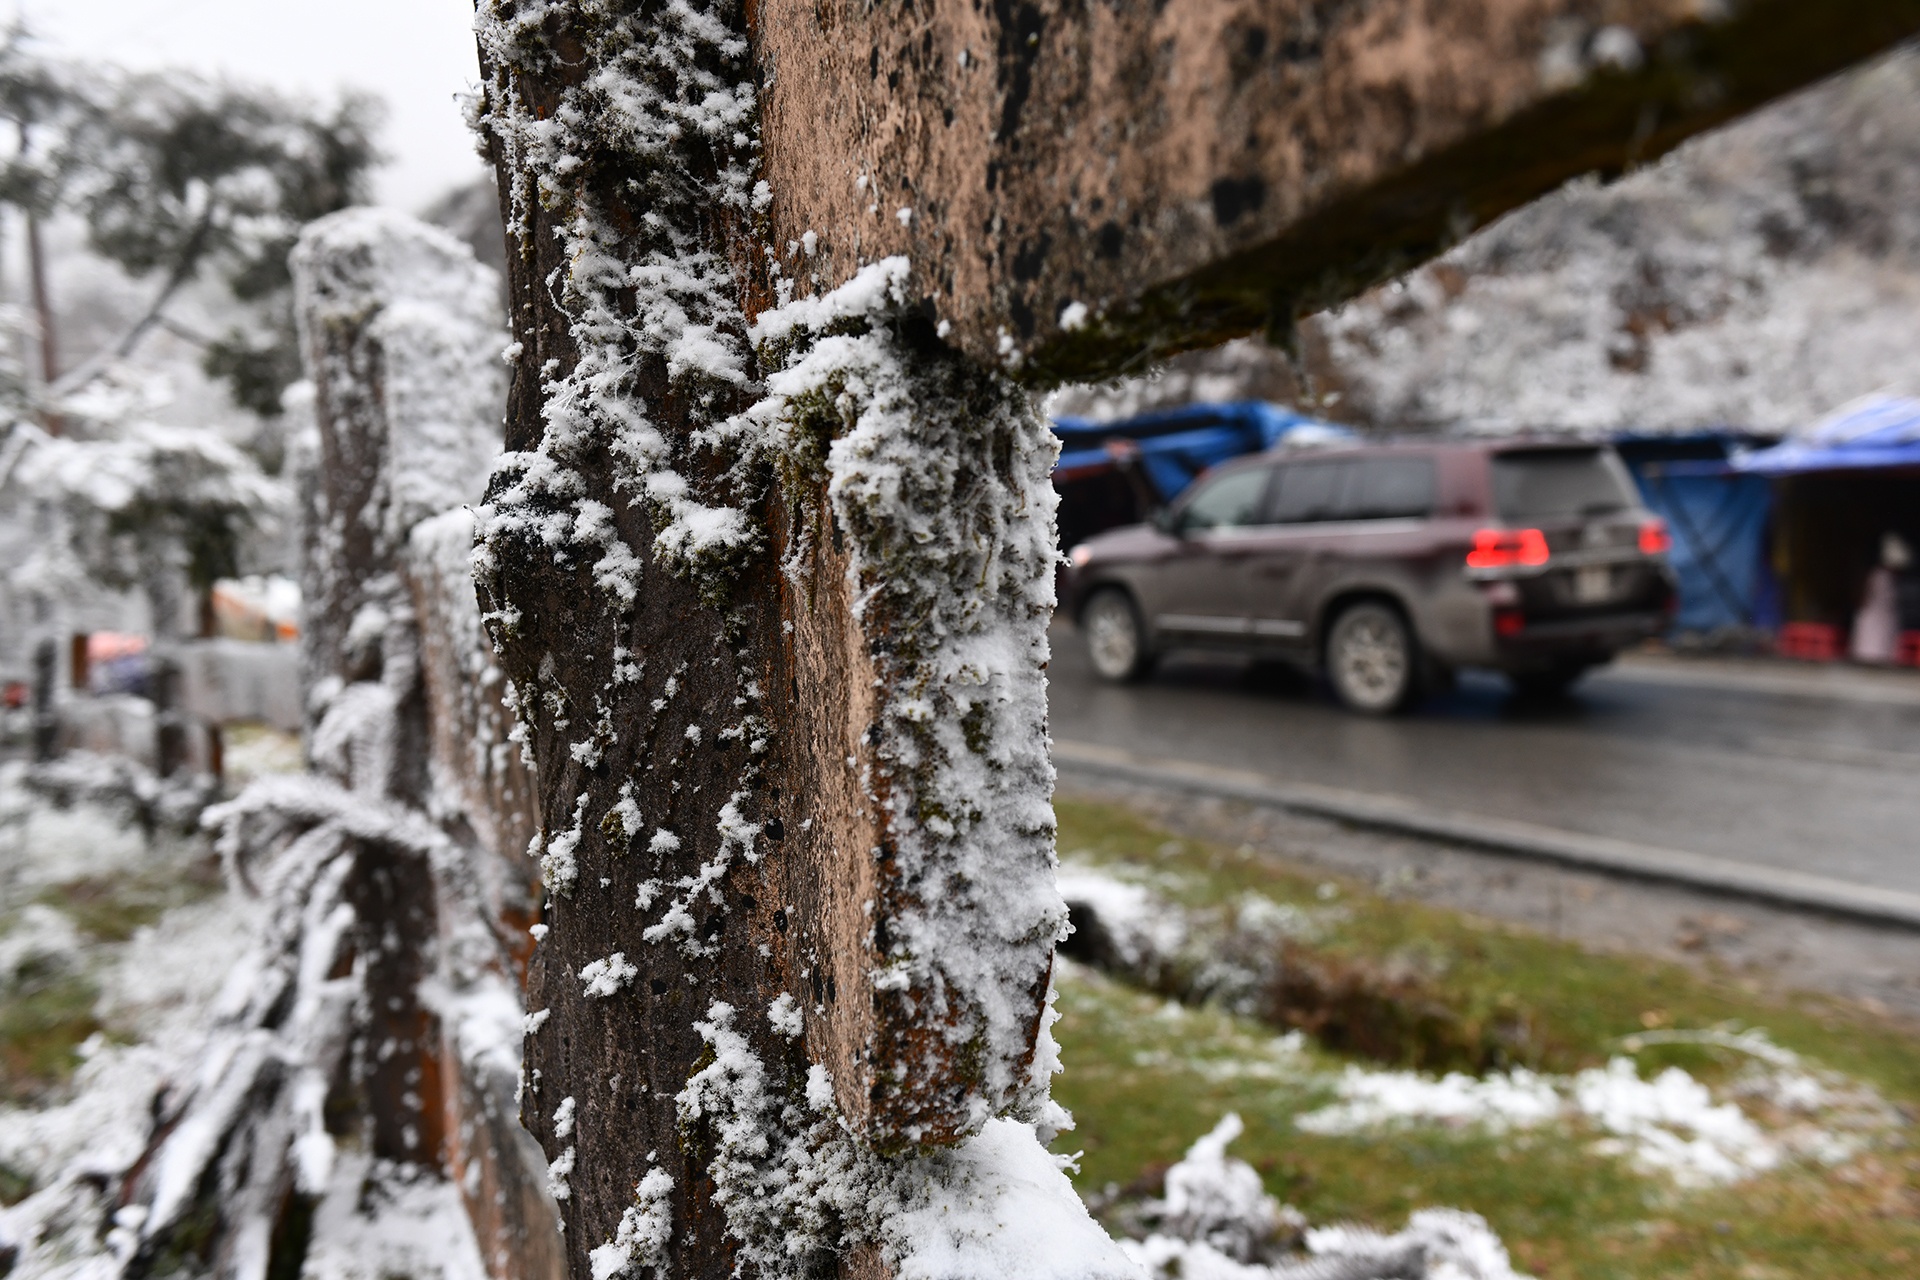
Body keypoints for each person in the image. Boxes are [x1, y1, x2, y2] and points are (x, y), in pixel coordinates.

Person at [1850, 532, 1910, 664]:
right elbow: (1864, 597)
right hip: (1873, 618)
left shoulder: (1893, 578)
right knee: (1870, 649)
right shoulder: (1877, 575)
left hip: (1886, 618)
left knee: (1884, 650)